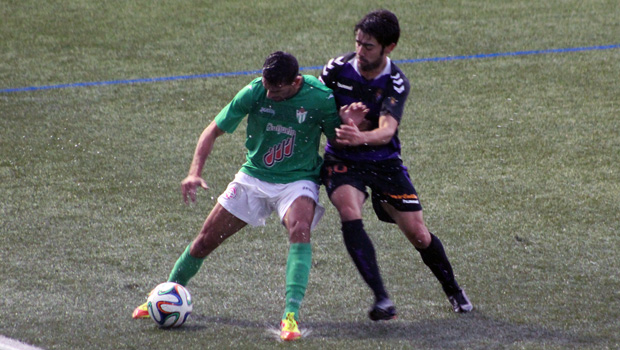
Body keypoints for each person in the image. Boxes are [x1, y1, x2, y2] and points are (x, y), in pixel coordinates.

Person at [132, 51, 346, 341]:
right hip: (254, 176)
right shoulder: (255, 91)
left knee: (300, 229)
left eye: (277, 91)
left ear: (296, 81)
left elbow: (339, 140)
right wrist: (194, 172)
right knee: (206, 239)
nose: (270, 95)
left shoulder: (320, 98)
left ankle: (290, 315)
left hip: (298, 179)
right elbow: (212, 131)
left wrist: (350, 124)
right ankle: (166, 293)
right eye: (267, 88)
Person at [319, 9, 473, 320]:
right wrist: (341, 123)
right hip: (343, 159)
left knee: (418, 234)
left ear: (390, 47)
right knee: (349, 210)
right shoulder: (337, 69)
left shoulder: (396, 82)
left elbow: (387, 130)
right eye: (358, 43)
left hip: (383, 161)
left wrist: (359, 135)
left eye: (369, 46)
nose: (360, 51)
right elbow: (315, 107)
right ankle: (382, 299)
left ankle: (453, 289)